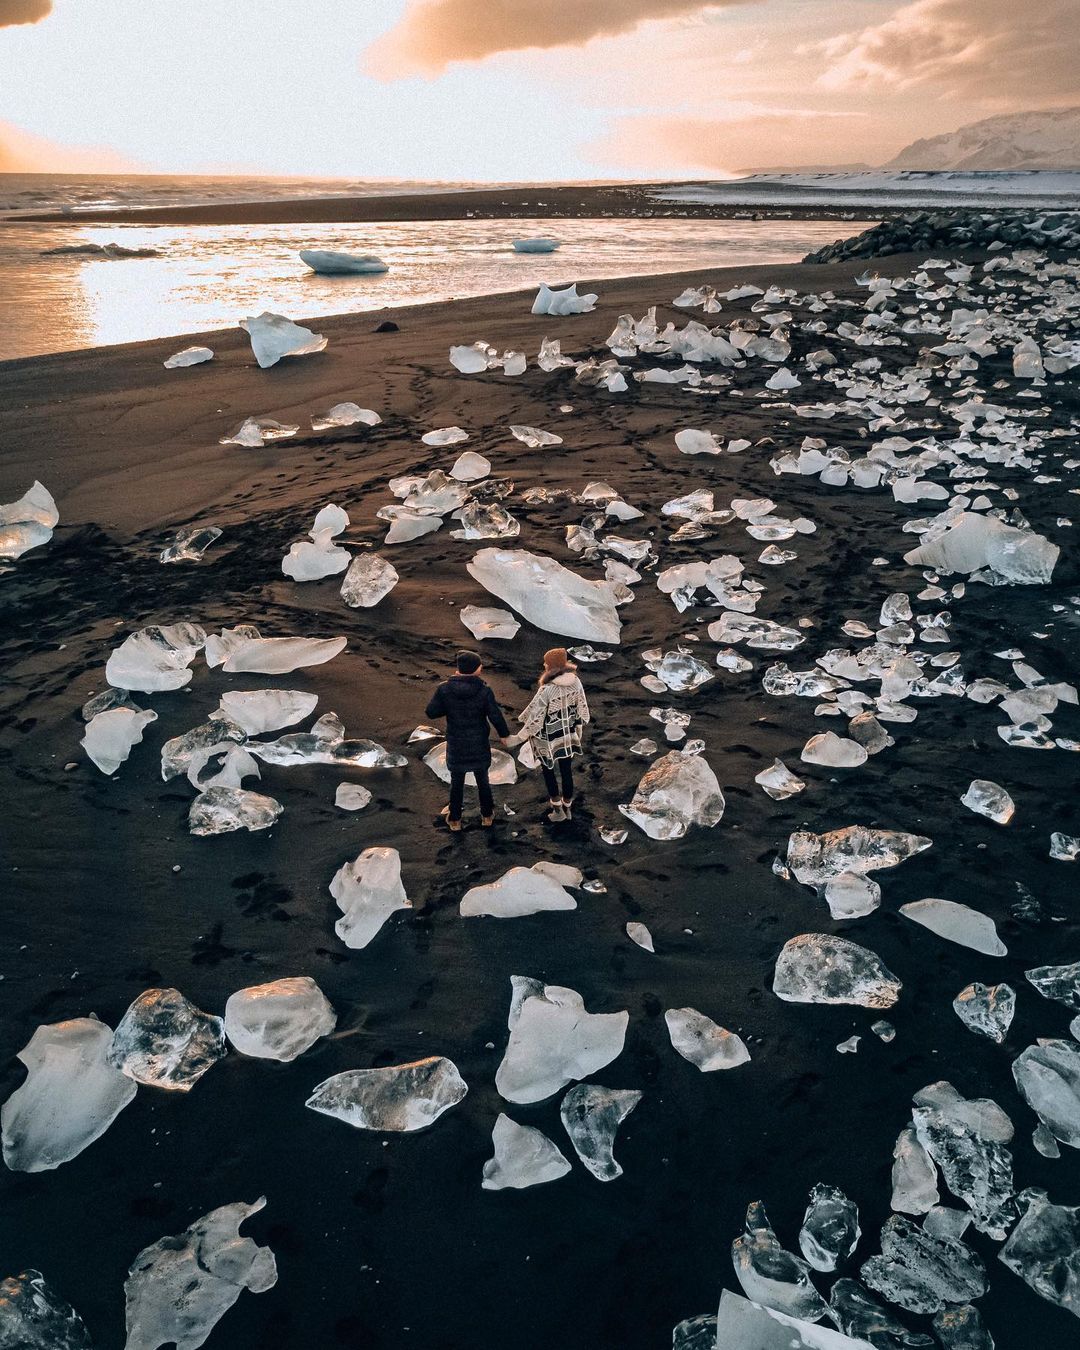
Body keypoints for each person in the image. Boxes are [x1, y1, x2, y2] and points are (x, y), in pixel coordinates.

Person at [425, 650, 510, 831]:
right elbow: (495, 715)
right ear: (475, 669)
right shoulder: (484, 690)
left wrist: (449, 708)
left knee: (457, 782)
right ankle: (487, 816)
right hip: (478, 741)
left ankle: (455, 819)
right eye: (480, 665)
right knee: (482, 780)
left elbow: (431, 712)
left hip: (457, 743)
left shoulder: (445, 689)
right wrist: (504, 734)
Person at [508, 648, 590, 822]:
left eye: (546, 662)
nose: (544, 664)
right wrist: (578, 730)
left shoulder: (547, 690)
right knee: (567, 770)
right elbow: (581, 710)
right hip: (567, 735)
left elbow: (535, 719)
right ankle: (568, 808)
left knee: (549, 771)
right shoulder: (576, 682)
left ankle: (557, 810)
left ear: (552, 666)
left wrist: (519, 738)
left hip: (547, 738)